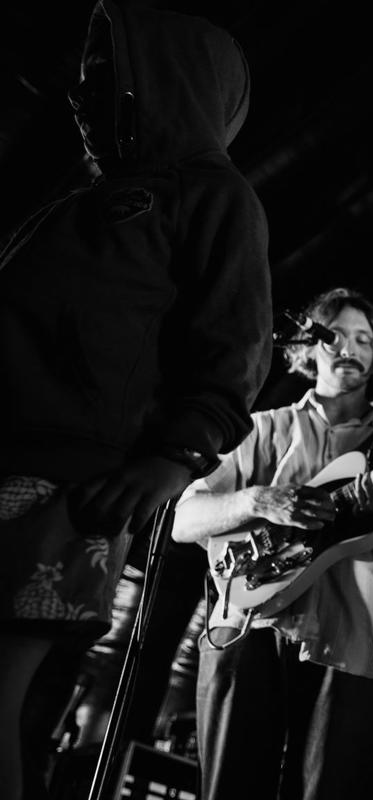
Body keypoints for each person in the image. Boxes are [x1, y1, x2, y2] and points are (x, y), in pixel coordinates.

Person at [0, 1, 272, 797]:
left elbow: (233, 348)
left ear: (167, 80)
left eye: (105, 74)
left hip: (69, 483)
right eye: (85, 77)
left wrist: (173, 459)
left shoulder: (213, 198)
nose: (83, 94)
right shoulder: (68, 200)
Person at [171, 288, 373, 800]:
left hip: (356, 646)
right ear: (307, 346)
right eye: (335, 335)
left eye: (364, 339)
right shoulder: (259, 429)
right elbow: (183, 519)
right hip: (248, 628)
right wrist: (257, 500)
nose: (349, 348)